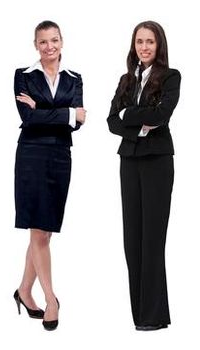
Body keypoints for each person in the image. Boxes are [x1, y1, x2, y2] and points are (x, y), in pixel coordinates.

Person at [106, 21, 178, 332]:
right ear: (134, 45)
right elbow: (111, 120)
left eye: (150, 42)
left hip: (157, 162)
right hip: (129, 161)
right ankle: (140, 317)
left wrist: (128, 116)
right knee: (132, 239)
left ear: (159, 45)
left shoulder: (170, 77)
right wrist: (137, 122)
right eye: (140, 42)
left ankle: (154, 316)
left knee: (152, 240)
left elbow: (161, 115)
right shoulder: (126, 79)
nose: (144, 47)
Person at [10, 20, 82, 332]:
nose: (49, 46)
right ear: (35, 44)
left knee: (45, 231)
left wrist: (44, 111)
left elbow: (79, 122)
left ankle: (23, 290)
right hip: (31, 155)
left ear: (62, 42)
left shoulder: (74, 78)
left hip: (60, 156)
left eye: (54, 40)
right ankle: (51, 298)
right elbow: (29, 118)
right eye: (43, 42)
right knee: (38, 231)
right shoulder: (23, 76)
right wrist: (65, 114)